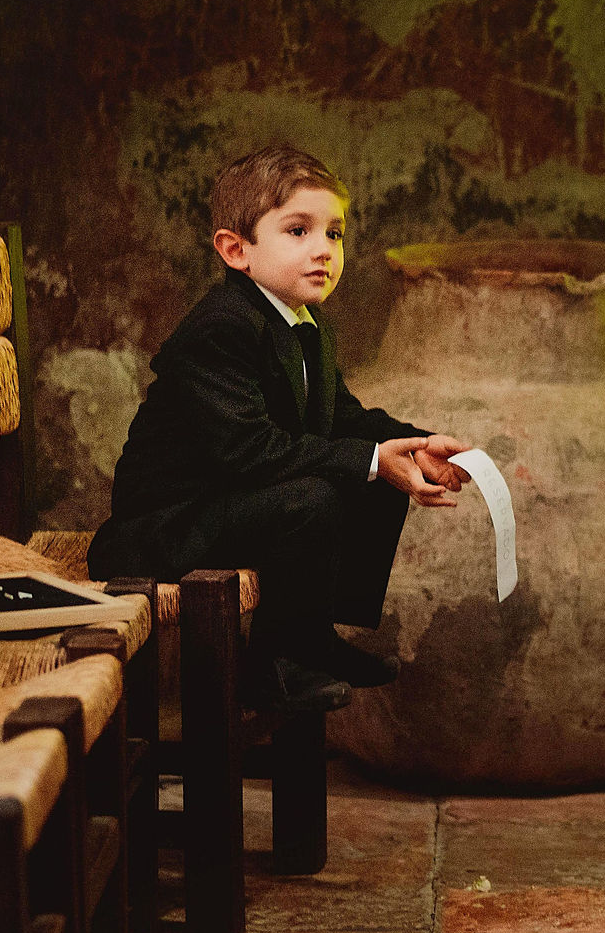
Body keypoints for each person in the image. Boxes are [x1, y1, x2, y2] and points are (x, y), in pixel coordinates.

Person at [87, 142, 471, 707]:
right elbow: (246, 449)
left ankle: (313, 638)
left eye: (334, 233)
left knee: (372, 464)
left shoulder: (303, 323)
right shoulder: (222, 327)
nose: (324, 250)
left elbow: (344, 418)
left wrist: (413, 445)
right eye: (299, 231)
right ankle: (273, 664)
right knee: (318, 494)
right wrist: (369, 459)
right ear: (236, 250)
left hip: (230, 504)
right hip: (164, 529)